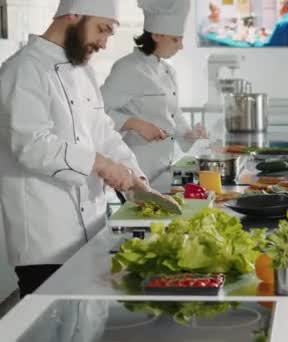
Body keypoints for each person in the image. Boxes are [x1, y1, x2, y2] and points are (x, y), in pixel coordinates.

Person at [0, 0, 148, 297]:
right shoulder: (23, 69)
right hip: (46, 240)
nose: (104, 44)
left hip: (91, 228)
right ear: (74, 15)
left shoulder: (83, 73)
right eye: (102, 30)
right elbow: (31, 145)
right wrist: (103, 165)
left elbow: (103, 132)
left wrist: (135, 178)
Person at [102, 0, 207, 194]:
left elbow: (174, 113)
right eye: (176, 39)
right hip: (135, 172)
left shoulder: (167, 70)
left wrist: (189, 135)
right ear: (157, 35)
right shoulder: (128, 68)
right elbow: (97, 112)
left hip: (164, 170)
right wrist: (135, 123)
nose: (181, 46)